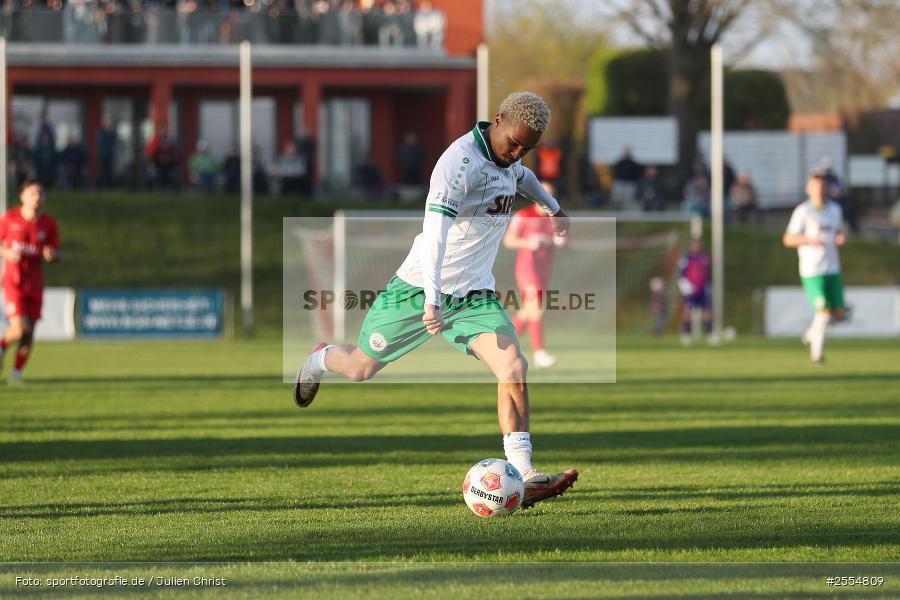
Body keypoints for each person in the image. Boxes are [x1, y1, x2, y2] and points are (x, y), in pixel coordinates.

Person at [292, 92, 578, 508]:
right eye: (515, 143)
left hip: (474, 295)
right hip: (417, 290)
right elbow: (435, 235)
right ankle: (319, 358)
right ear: (498, 121)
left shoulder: (510, 161)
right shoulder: (458, 163)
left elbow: (525, 178)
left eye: (526, 149)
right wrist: (431, 298)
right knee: (360, 368)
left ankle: (524, 471)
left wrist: (553, 208)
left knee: (514, 366)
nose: (517, 153)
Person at [0, 180, 60, 385]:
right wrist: (6, 252)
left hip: (35, 284)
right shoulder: (9, 218)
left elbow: (55, 251)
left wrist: (51, 255)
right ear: (22, 197)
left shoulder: (49, 224)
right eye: (32, 193)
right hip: (14, 282)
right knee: (19, 329)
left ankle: (16, 373)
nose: (37, 197)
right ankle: (2, 346)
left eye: (40, 193)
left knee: (29, 333)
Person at [783, 173, 846, 364]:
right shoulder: (803, 211)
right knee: (823, 312)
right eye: (815, 187)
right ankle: (816, 354)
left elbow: (839, 232)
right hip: (812, 270)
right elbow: (788, 239)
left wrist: (841, 238)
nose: (819, 190)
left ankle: (811, 334)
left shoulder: (835, 209)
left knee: (838, 314)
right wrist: (809, 240)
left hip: (833, 268)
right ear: (808, 189)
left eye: (822, 186)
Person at [503, 180, 565, 369]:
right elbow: (509, 240)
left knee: (527, 312)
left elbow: (564, 239)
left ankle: (501, 345)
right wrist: (529, 243)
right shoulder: (523, 216)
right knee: (536, 309)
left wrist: (561, 241)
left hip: (544, 270)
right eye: (543, 193)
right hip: (527, 269)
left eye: (550, 194)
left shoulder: (556, 217)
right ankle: (539, 353)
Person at [677, 237, 713, 346]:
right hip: (691, 290)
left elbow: (706, 273)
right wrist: (685, 286)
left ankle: (711, 335)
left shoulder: (704, 257)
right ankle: (686, 335)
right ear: (690, 245)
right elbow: (681, 274)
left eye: (698, 244)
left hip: (702, 289)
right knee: (687, 311)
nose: (696, 246)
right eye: (694, 244)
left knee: (707, 312)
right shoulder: (685, 258)